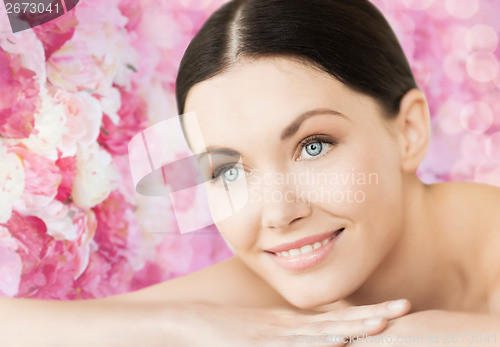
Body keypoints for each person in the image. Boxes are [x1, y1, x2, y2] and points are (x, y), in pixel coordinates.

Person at [1, 0, 499, 346]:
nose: (279, 213)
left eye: (313, 145)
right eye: (228, 170)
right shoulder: (291, 271)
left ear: (408, 131)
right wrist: (180, 326)